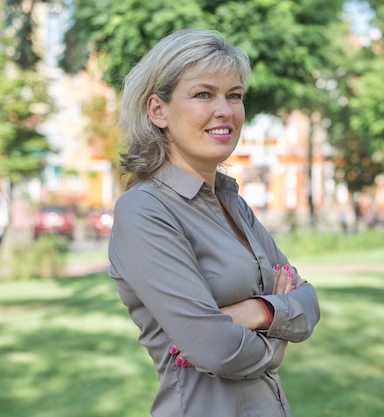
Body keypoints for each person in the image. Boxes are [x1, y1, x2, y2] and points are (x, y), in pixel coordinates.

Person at [108, 29, 321, 417]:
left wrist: (258, 311)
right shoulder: (144, 210)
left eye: (234, 95)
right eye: (204, 94)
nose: (224, 110)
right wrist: (278, 336)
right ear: (158, 111)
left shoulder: (233, 204)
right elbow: (215, 349)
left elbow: (308, 303)